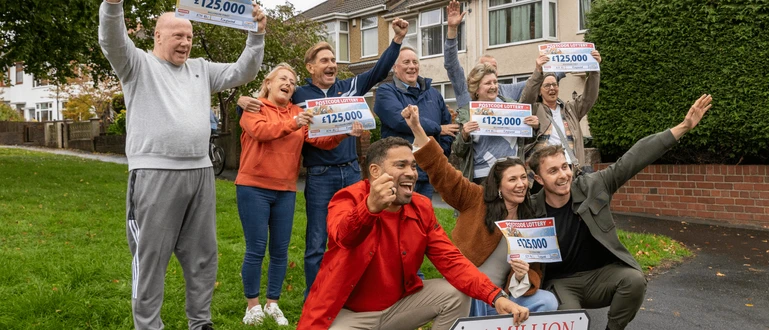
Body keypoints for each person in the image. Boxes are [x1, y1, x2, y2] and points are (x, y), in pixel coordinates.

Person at [98, 0, 267, 328]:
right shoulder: (137, 65)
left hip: (200, 173)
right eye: (177, 36)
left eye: (188, 36)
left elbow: (242, 71)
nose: (185, 43)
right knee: (150, 260)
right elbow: (112, 41)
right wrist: (113, 5)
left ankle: (200, 322)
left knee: (203, 257)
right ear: (158, 37)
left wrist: (256, 35)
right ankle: (148, 324)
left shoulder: (201, 69)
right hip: (155, 175)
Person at [239, 17, 411, 298]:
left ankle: (355, 291)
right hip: (318, 176)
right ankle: (316, 296)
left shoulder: (350, 88)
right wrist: (241, 102)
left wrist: (396, 40)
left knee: (359, 234)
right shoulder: (298, 97)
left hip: (351, 172)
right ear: (311, 67)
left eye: (333, 59)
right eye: (324, 60)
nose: (331, 64)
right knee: (317, 241)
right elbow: (268, 110)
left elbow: (379, 71)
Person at [297, 129, 530, 330]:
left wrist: (495, 296)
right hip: (349, 314)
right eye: (401, 165)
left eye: (413, 166)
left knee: (455, 295)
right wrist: (370, 208)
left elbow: (451, 260)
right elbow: (344, 236)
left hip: (398, 307)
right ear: (375, 172)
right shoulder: (347, 198)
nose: (411, 173)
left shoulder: (421, 206)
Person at [527, 95, 713, 330]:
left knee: (634, 280)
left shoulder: (593, 186)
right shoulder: (531, 211)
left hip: (600, 276)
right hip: (562, 284)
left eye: (565, 167)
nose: (563, 175)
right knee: (570, 321)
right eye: (553, 171)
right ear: (539, 178)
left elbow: (635, 157)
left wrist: (684, 126)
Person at [235, 63, 363, 325]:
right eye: (283, 79)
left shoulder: (297, 112)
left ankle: (272, 303)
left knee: (280, 250)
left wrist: (343, 134)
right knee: (256, 249)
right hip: (254, 187)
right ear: (268, 82)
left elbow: (318, 140)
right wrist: (293, 123)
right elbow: (261, 132)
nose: (289, 84)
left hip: (285, 188)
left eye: (292, 82)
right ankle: (252, 306)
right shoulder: (254, 107)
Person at [401, 105, 558, 316]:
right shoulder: (476, 198)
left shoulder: (529, 219)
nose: (521, 184)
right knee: (470, 298)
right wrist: (417, 129)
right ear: (499, 185)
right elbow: (443, 172)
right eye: (512, 179)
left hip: (504, 296)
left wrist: (522, 276)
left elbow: (535, 271)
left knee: (547, 301)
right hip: (469, 291)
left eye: (523, 177)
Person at [443, 1, 540, 186]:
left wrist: (534, 127)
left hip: (513, 173)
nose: (494, 86)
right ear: (476, 86)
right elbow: (458, 150)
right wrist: (464, 134)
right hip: (482, 177)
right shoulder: (467, 106)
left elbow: (535, 83)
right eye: (488, 82)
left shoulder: (512, 103)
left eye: (495, 80)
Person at [373, 46, 458, 200]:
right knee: (396, 218)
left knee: (421, 218)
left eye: (415, 62)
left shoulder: (433, 94)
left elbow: (449, 129)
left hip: (426, 172)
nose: (412, 66)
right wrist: (437, 129)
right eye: (406, 62)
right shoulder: (386, 92)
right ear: (395, 67)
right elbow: (399, 120)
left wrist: (439, 153)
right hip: (397, 173)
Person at [443, 0, 565, 105]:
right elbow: (452, 66)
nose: (493, 84)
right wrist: (452, 30)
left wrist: (570, 62)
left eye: (493, 68)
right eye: (485, 69)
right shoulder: (465, 92)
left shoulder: (507, 92)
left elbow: (536, 82)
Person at [519, 49, 601, 174]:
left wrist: (594, 70)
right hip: (544, 169)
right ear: (540, 91)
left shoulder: (571, 109)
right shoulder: (535, 109)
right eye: (547, 85)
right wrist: (538, 71)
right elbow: (525, 100)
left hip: (570, 168)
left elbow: (589, 97)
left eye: (555, 84)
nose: (552, 88)